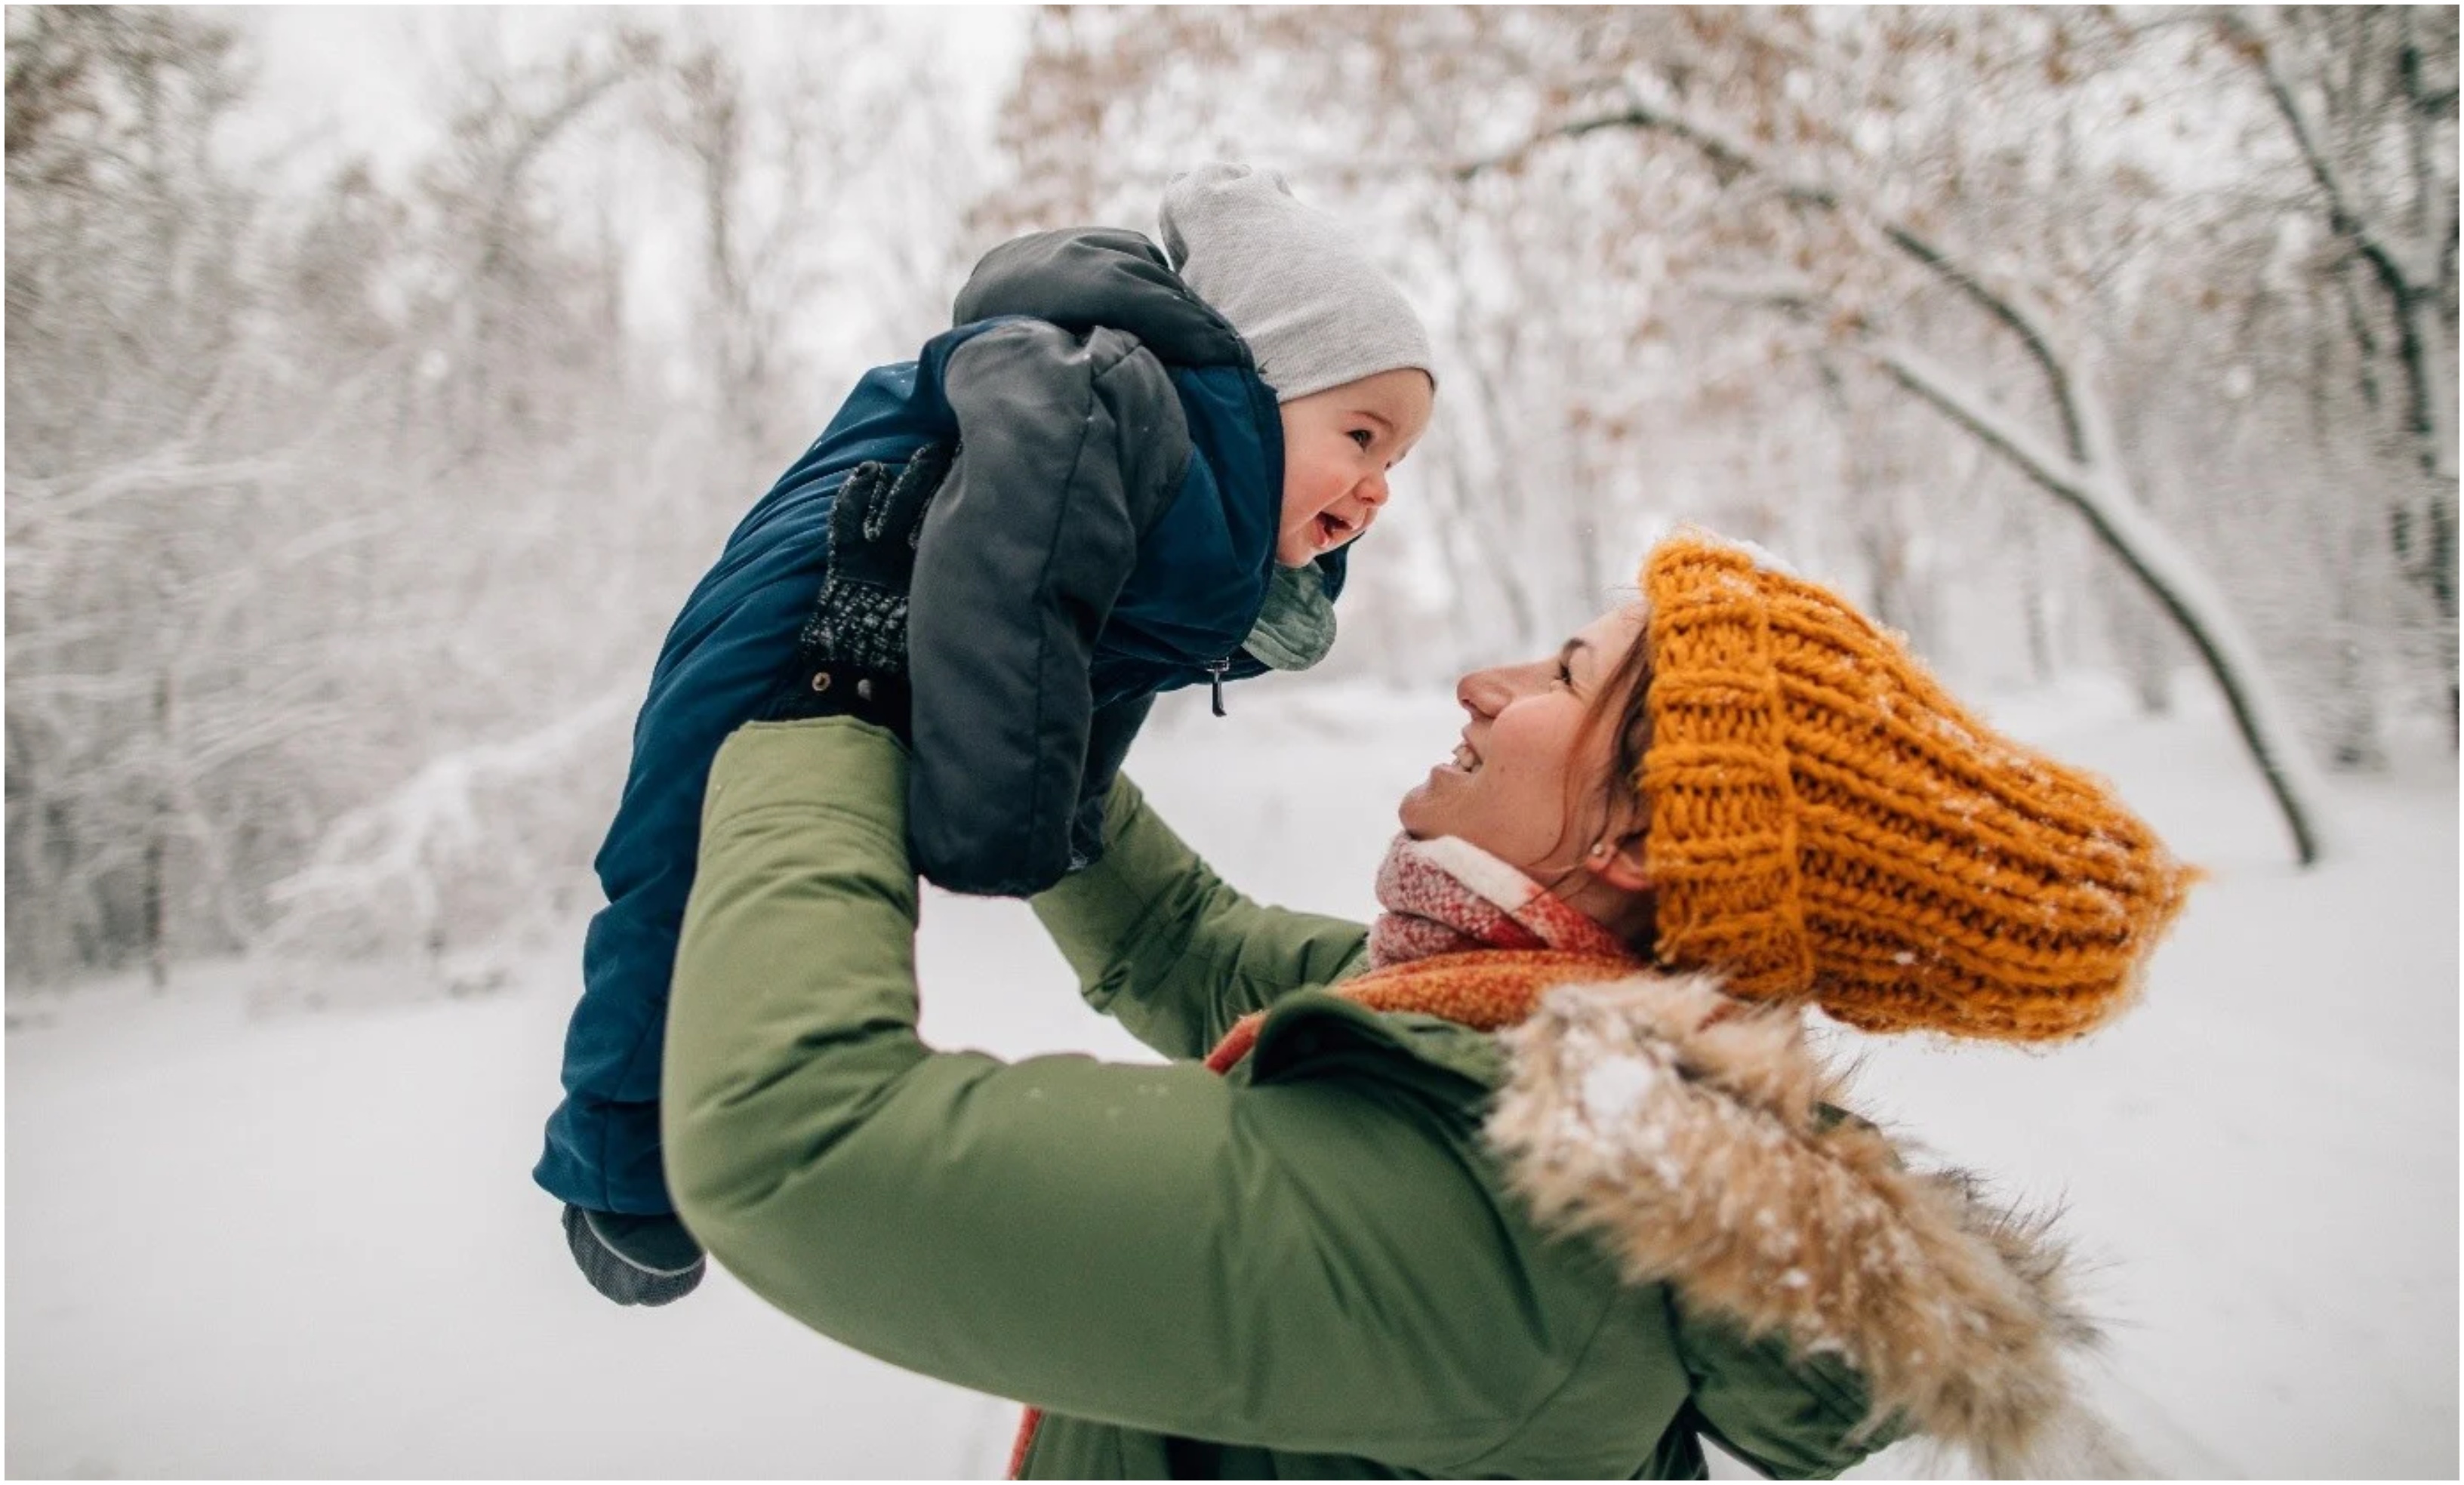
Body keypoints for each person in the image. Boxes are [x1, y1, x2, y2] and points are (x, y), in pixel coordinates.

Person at [657, 490, 2194, 1479]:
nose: (1486, 686)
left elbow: (799, 1138)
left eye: (1565, 677)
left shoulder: (1494, 1230)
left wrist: (836, 704)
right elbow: (1180, 944)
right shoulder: (1501, 1030)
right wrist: (1001, 684)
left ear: (1644, 836)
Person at [541, 162, 1437, 1305]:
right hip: (797, 600)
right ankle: (613, 1161)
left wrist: (1063, 798)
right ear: (1260, 384)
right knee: (677, 864)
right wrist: (1001, 822)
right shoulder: (1092, 387)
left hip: (914, 619)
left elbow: (1093, 653)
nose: (1379, 486)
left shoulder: (1200, 485)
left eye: (1395, 462)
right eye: (1361, 435)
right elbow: (1014, 586)